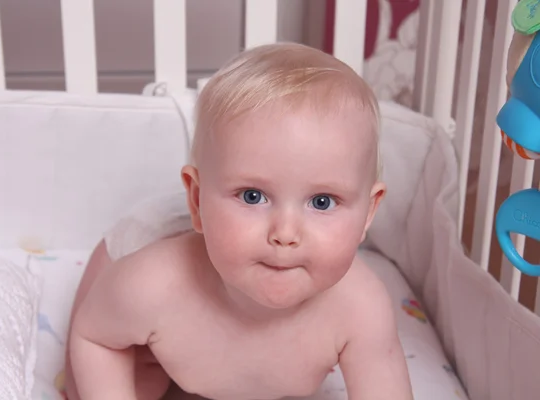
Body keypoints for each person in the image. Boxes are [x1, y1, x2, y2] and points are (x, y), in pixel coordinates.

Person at [65, 42, 413, 400]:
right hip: (139, 248)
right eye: (253, 196)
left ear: (368, 212)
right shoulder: (149, 284)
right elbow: (95, 336)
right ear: (197, 201)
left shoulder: (360, 307)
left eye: (322, 202)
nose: (285, 234)